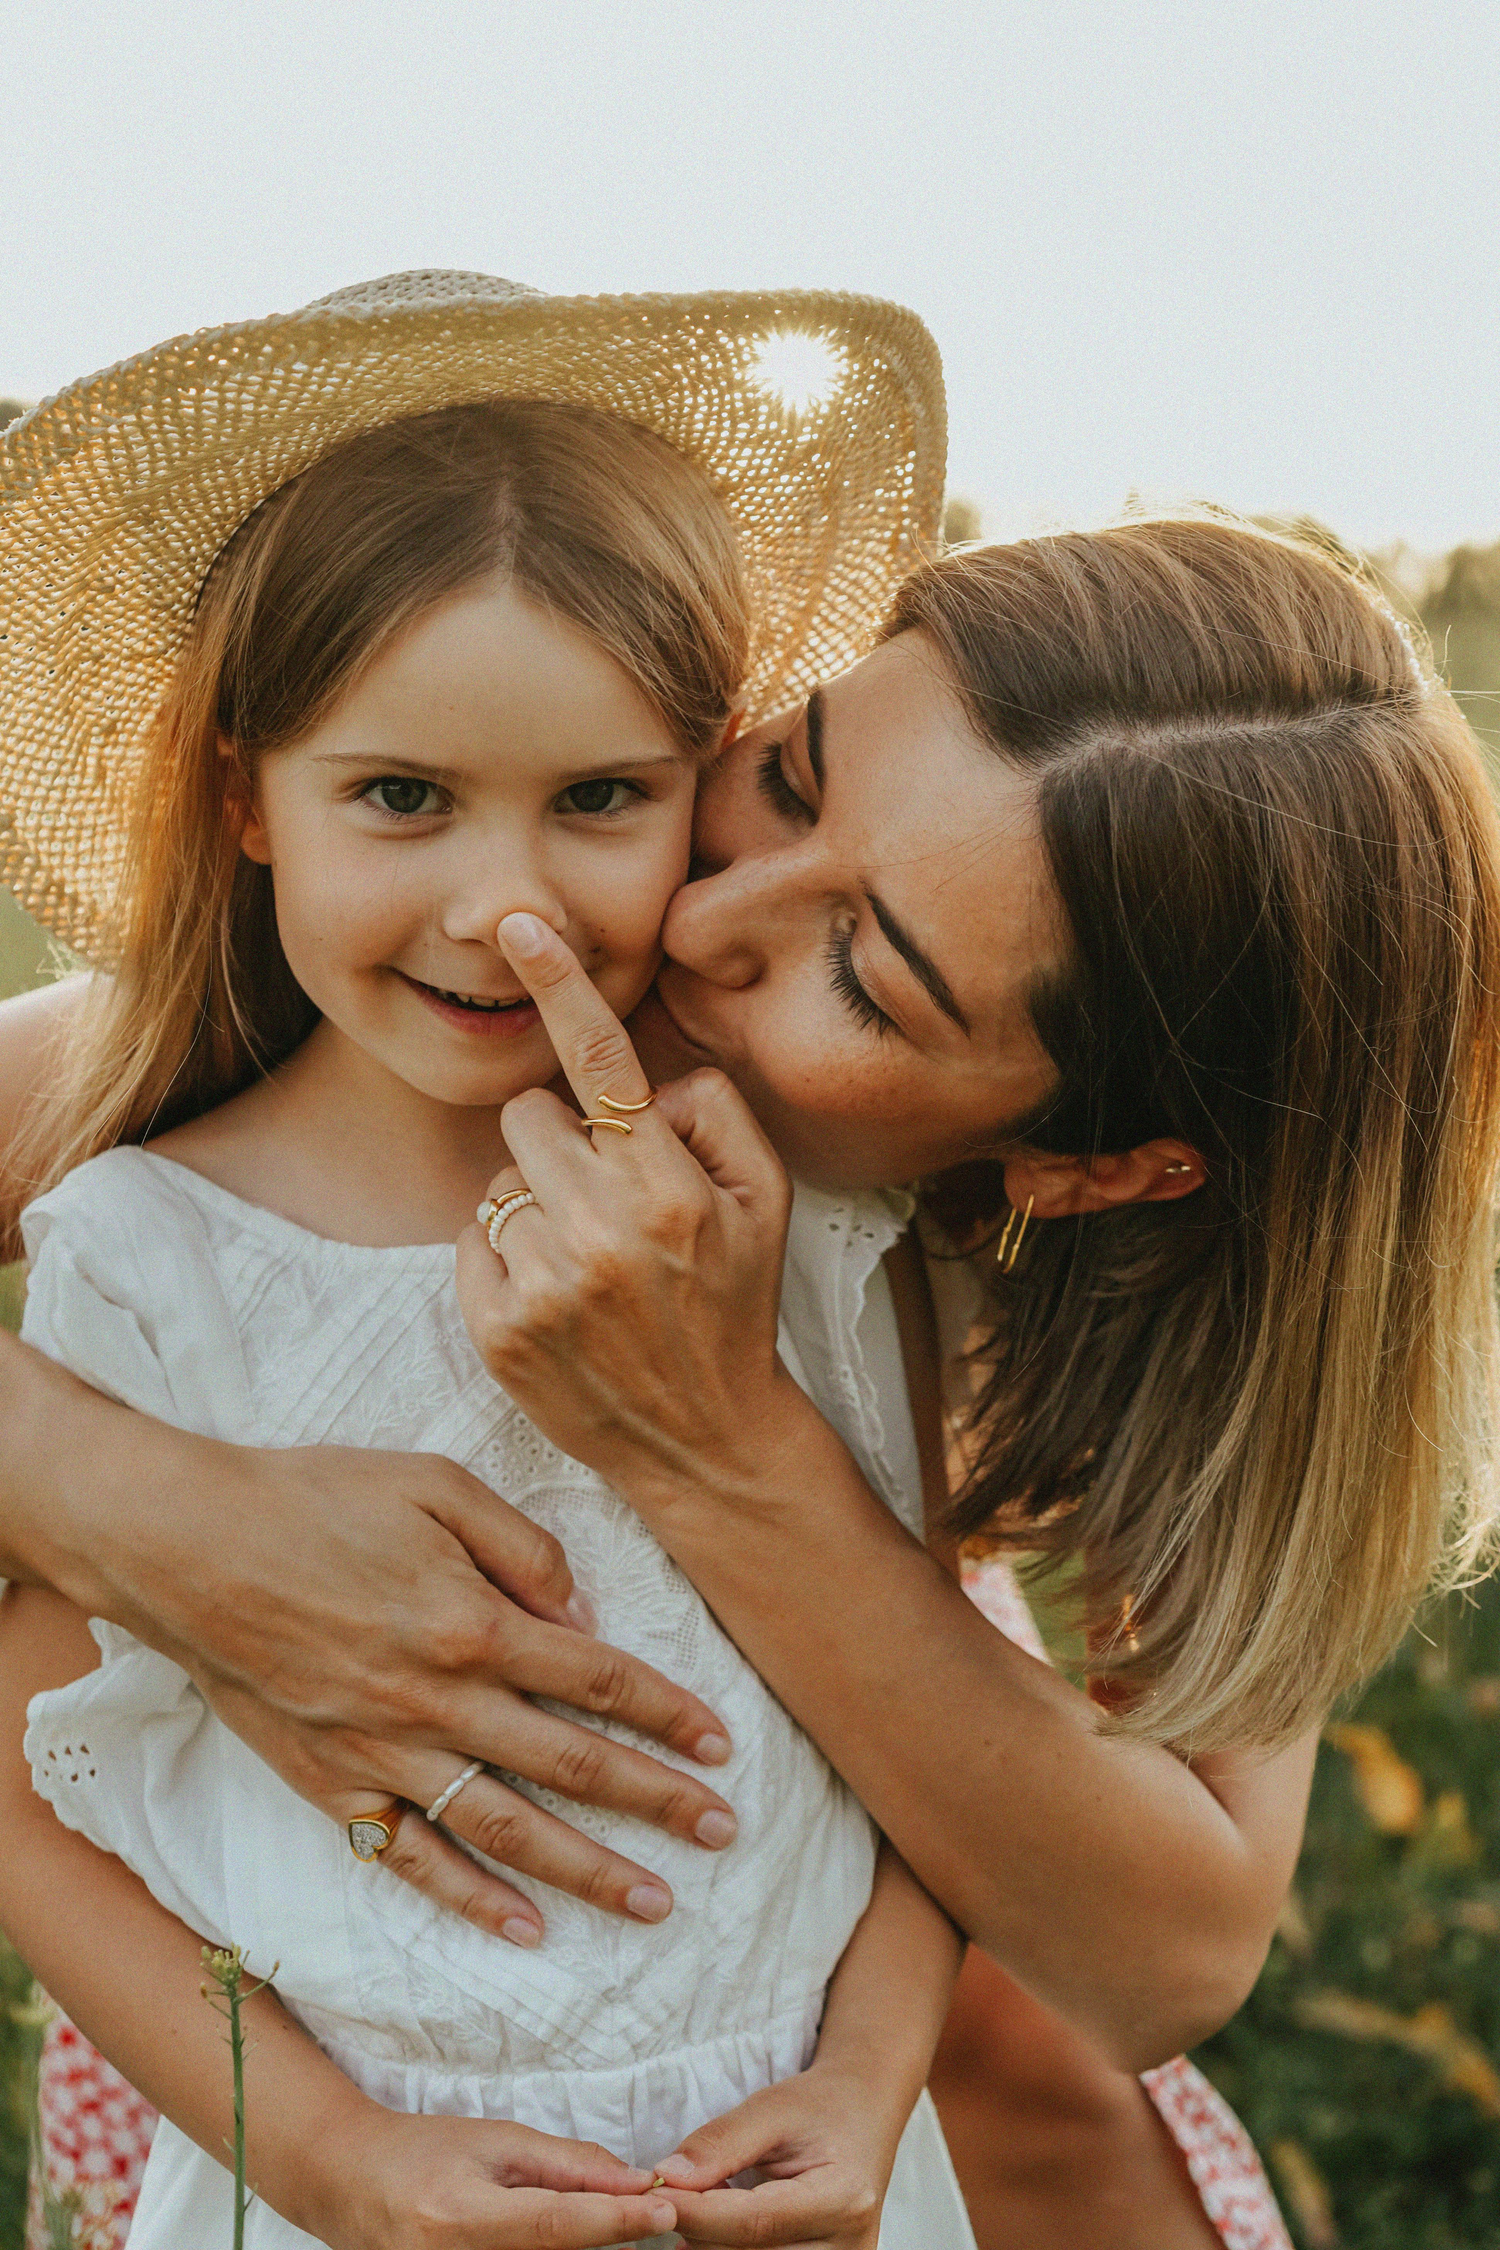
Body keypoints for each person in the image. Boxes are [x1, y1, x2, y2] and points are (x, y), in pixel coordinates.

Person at [0, 278, 976, 2249]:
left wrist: (869, 2082)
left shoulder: (796, 1217)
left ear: (699, 780)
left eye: (600, 798)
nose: (503, 907)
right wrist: (339, 2161)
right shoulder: (148, 1252)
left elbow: (921, 1734)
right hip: (349, 2177)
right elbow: (41, 1807)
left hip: (797, 2175)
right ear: (239, 799)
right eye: (401, 798)